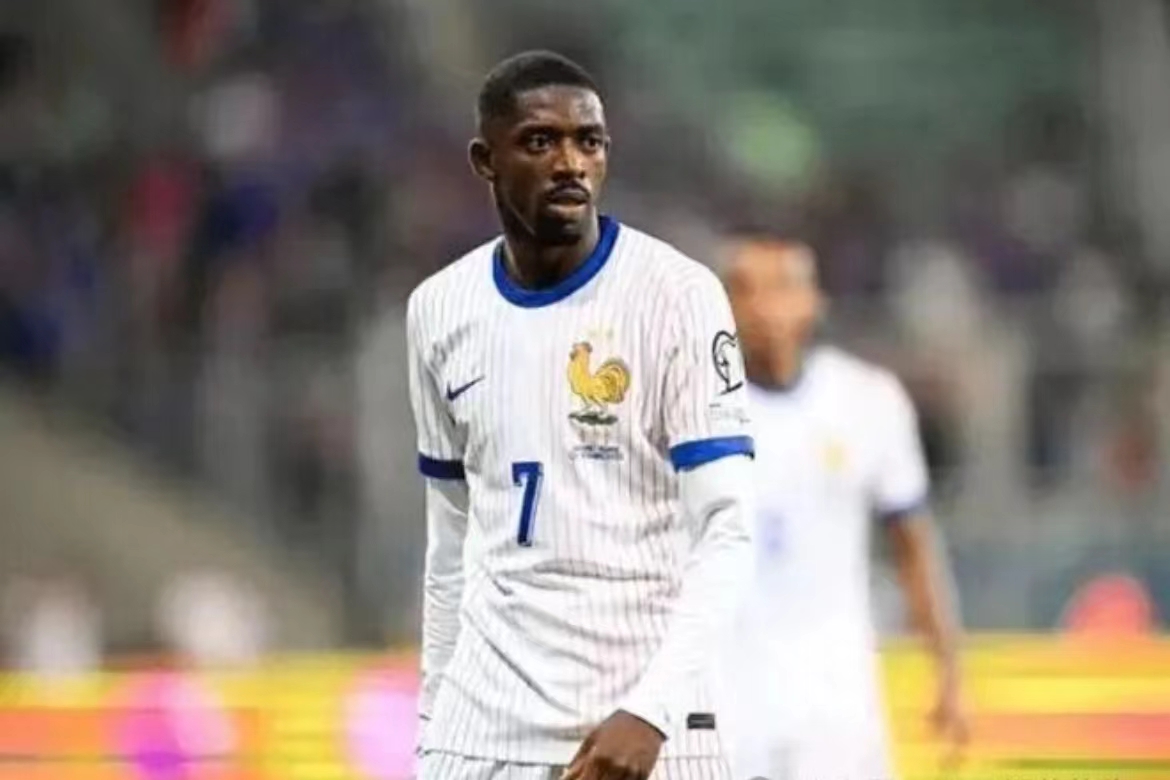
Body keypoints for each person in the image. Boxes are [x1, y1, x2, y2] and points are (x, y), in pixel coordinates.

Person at [406, 51, 756, 780]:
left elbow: (727, 529)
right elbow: (450, 536)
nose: (570, 163)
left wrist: (652, 710)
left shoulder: (678, 296)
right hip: (483, 732)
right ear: (485, 161)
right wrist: (434, 724)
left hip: (648, 729)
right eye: (540, 141)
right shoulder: (438, 309)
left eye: (588, 141)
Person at [719, 239, 968, 780]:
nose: (763, 306)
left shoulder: (867, 400)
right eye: (744, 289)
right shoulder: (691, 404)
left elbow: (913, 545)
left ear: (814, 301)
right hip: (728, 701)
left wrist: (947, 670)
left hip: (837, 700)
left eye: (781, 287)